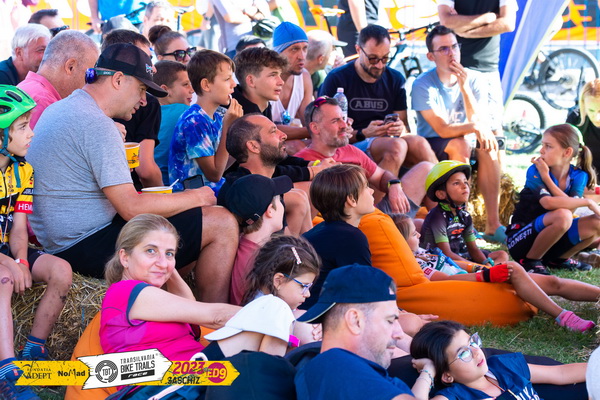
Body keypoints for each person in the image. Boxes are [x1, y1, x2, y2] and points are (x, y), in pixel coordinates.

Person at [28, 43, 239, 303]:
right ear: (118, 80)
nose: (144, 100)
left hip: (63, 244)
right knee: (221, 222)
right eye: (141, 89)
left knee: (180, 226)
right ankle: (212, 318)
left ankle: (170, 309)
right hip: (86, 247)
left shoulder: (65, 108)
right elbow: (130, 208)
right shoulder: (96, 124)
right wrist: (199, 197)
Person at [100, 213, 294, 397]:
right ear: (125, 257)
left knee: (274, 326)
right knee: (273, 308)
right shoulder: (125, 292)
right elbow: (215, 317)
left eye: (170, 253)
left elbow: (191, 307)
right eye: (151, 251)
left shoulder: (158, 301)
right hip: (166, 387)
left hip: (194, 380)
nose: (162, 262)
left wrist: (167, 269)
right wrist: (275, 318)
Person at [392, 212, 598, 333]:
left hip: (477, 275)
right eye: (413, 233)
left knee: (553, 282)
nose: (418, 234)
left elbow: (455, 263)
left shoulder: (422, 252)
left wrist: (480, 267)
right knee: (514, 268)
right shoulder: (416, 265)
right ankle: (563, 316)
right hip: (472, 285)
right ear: (400, 242)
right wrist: (485, 275)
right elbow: (447, 279)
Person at [0, 85, 72, 400]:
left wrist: (21, 260)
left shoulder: (24, 171)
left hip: (5, 248)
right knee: (4, 280)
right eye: (22, 127)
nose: (31, 133)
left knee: (62, 270)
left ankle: (33, 351)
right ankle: (7, 374)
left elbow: (18, 228)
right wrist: (10, 266)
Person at [412, 24, 505, 243]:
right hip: (433, 144)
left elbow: (478, 121)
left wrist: (464, 88)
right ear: (431, 56)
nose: (451, 53)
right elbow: (442, 129)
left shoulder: (474, 78)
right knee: (461, 144)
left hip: (465, 140)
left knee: (489, 145)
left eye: (454, 46)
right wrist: (474, 128)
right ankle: (460, 220)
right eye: (443, 49)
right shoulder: (422, 84)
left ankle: (493, 224)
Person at [319, 25, 437, 176]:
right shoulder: (337, 78)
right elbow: (326, 133)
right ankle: (385, 191)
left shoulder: (395, 79)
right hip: (350, 144)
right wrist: (364, 133)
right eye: (373, 58)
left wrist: (399, 128)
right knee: (396, 146)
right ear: (358, 50)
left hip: (388, 142)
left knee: (418, 143)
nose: (379, 65)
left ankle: (445, 186)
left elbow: (404, 126)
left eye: (385, 58)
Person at [294, 264, 417, 400]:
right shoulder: (336, 363)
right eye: (390, 321)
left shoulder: (340, 368)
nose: (399, 334)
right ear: (355, 321)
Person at [296, 97, 432, 216]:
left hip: (375, 213)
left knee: (427, 168)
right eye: (335, 121)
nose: (344, 125)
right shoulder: (301, 162)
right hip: (347, 223)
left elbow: (381, 176)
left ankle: (441, 222)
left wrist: (394, 185)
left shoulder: (350, 150)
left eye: (343, 119)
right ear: (315, 128)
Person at [409, 320, 586, 400]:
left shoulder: (503, 367)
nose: (476, 351)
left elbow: (560, 373)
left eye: (472, 342)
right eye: (463, 353)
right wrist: (428, 369)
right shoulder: (456, 396)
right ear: (447, 375)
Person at [507, 124, 600, 273]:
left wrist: (547, 179)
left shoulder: (578, 175)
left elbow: (571, 208)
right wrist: (587, 202)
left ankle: (558, 260)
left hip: (552, 241)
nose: (541, 150)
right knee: (563, 215)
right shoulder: (535, 170)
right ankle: (530, 262)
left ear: (567, 152)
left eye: (548, 146)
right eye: (542, 145)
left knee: (596, 222)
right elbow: (548, 203)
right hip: (521, 241)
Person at [222, 114, 332, 236]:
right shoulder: (242, 192)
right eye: (273, 131)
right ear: (253, 146)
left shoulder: (259, 181)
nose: (284, 135)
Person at [437, 0, 518, 136]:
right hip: (454, 69)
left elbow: (507, 23)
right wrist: (486, 18)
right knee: (457, 131)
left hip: (486, 68)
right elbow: (446, 21)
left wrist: (465, 31)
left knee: (493, 130)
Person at [168, 49, 243, 193]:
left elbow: (221, 166)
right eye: (227, 79)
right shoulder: (194, 121)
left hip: (213, 190)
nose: (234, 84)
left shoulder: (218, 116)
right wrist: (227, 128)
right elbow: (214, 175)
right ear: (206, 85)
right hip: (192, 197)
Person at [301, 164, 375, 309]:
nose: (372, 191)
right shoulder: (350, 238)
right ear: (351, 200)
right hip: (321, 316)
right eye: (366, 187)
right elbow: (365, 292)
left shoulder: (319, 231)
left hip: (305, 311)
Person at [102, 29, 164, 190]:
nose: (153, 69)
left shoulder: (86, 103)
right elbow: (146, 170)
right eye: (145, 60)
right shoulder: (93, 119)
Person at [421, 161, 508, 266]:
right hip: (441, 261)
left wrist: (485, 263)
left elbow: (473, 249)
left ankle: (490, 271)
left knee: (502, 254)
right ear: (441, 194)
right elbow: (446, 253)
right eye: (456, 183)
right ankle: (487, 272)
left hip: (461, 256)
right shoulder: (437, 217)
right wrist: (477, 267)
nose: (464, 186)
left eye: (465, 182)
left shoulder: (465, 216)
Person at [224, 174, 293, 305]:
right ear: (270, 210)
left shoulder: (243, 245)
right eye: (280, 200)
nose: (282, 205)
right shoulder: (262, 262)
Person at [242, 234, 321, 346]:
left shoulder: (266, 302)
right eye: (303, 286)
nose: (308, 294)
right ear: (279, 281)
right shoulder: (270, 310)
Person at [17, 30, 99, 128]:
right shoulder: (44, 104)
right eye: (89, 74)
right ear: (70, 67)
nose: (91, 82)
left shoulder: (30, 89)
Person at [270, 22, 312, 141]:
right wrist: (315, 130)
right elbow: (264, 130)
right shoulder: (263, 78)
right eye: (294, 49)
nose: (302, 56)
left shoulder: (304, 77)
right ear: (277, 53)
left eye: (305, 48)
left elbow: (309, 121)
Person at [154, 60, 194, 184]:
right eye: (186, 84)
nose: (192, 90)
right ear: (165, 90)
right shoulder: (186, 113)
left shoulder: (146, 114)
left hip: (153, 185)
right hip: (177, 186)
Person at [232, 46, 287, 120]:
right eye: (273, 75)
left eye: (280, 75)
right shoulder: (237, 116)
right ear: (251, 81)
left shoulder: (264, 106)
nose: (281, 82)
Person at [567, 78, 600, 182]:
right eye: (591, 110)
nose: (596, 117)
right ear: (583, 104)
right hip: (585, 181)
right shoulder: (576, 119)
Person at [306, 30, 346, 97]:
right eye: (333, 49)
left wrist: (337, 73)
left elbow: (320, 99)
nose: (337, 54)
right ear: (321, 59)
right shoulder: (295, 76)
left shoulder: (317, 74)